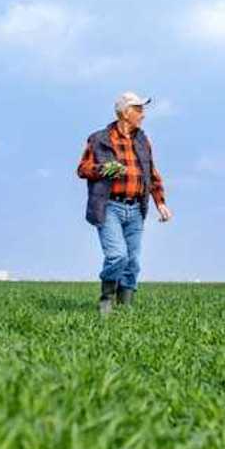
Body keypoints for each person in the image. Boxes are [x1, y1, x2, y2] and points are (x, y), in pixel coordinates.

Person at [77, 91, 173, 314]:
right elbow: (82, 169)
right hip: (110, 206)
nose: (143, 115)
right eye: (138, 110)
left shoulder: (142, 140)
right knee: (117, 255)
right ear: (125, 113)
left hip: (136, 208)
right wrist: (104, 169)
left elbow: (151, 173)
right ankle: (107, 299)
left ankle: (125, 308)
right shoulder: (99, 139)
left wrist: (160, 202)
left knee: (132, 262)